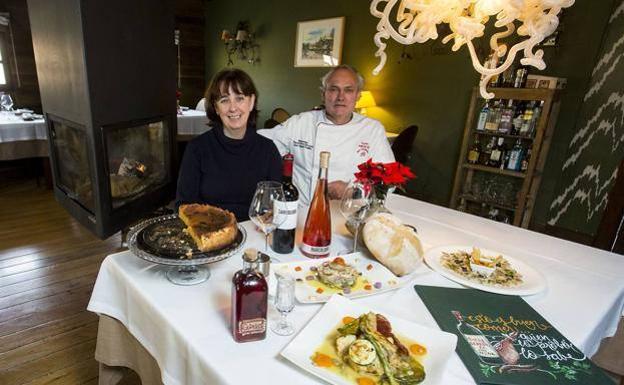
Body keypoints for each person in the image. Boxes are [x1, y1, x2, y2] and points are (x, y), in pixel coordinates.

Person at [258, 65, 395, 206]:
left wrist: (353, 190)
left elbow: (388, 183)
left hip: (349, 213)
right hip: (303, 213)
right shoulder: (301, 122)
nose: (340, 97)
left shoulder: (372, 129)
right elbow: (260, 144)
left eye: (348, 90)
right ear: (323, 94)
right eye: (333, 89)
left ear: (358, 95)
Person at [176, 68, 282, 221]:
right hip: (210, 233)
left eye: (239, 98)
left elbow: (275, 204)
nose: (233, 108)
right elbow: (184, 205)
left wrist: (270, 216)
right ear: (216, 107)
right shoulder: (197, 149)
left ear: (251, 102)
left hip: (254, 232)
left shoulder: (268, 150)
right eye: (224, 100)